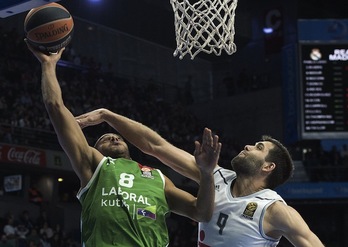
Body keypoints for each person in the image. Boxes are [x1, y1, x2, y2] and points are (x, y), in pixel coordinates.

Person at [26, 43, 220, 247]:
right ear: (96, 150)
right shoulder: (95, 166)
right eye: (104, 139)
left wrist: (206, 174)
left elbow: (201, 213)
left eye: (117, 136)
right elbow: (55, 108)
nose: (113, 138)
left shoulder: (157, 177)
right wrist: (48, 65)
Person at [75, 109, 325, 247]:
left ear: (268, 167)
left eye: (258, 147)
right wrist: (108, 116)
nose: (249, 146)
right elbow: (154, 145)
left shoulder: (275, 210)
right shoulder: (214, 174)